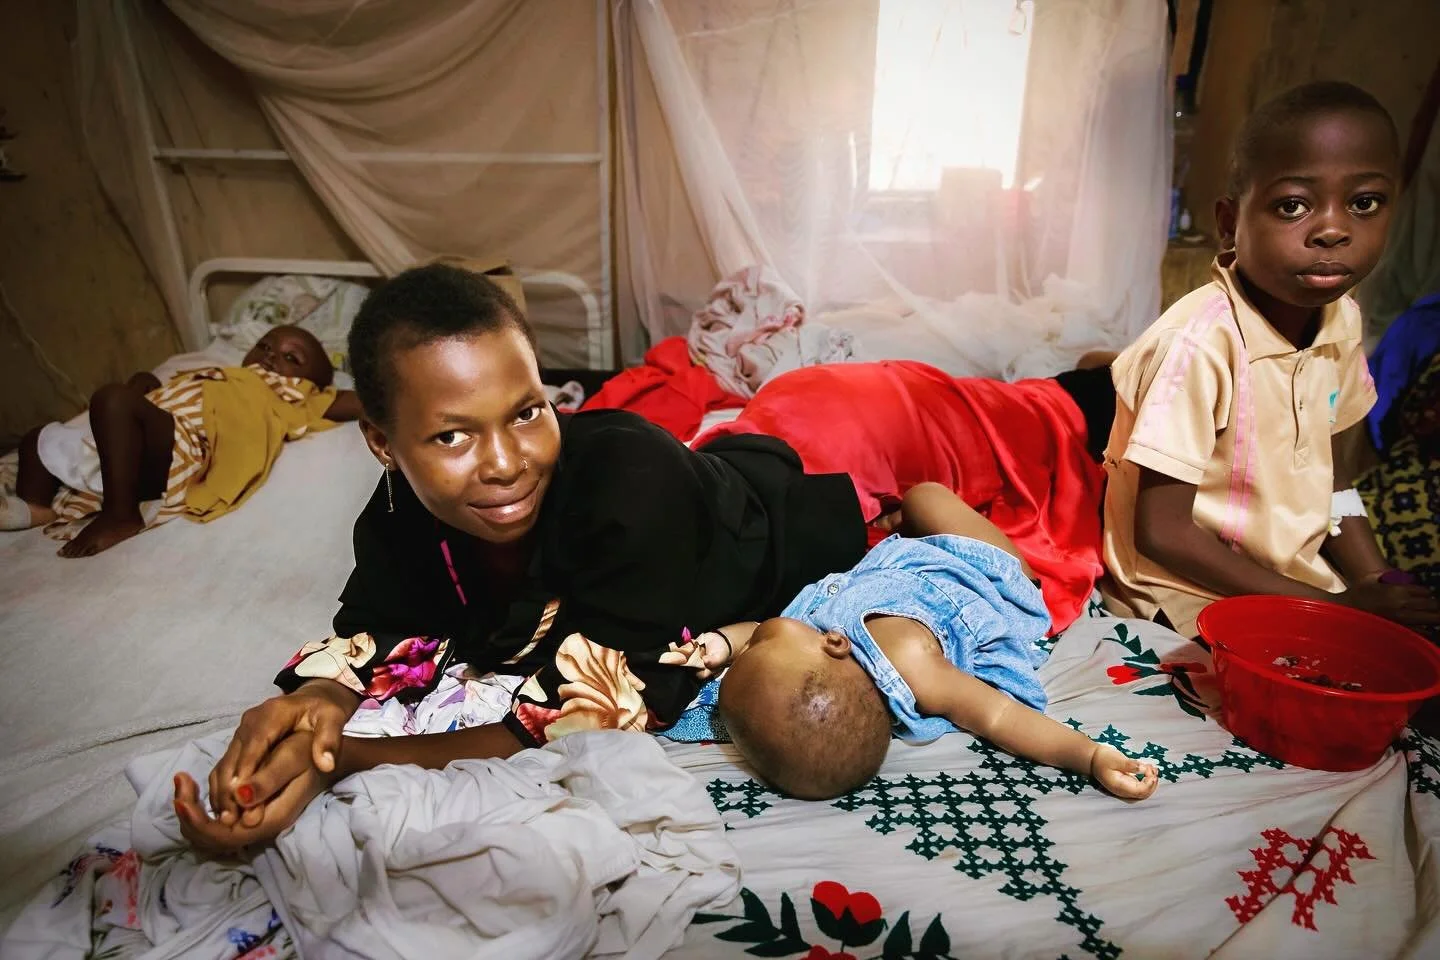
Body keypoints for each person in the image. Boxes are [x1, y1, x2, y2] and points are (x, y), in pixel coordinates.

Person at [173, 263, 872, 853]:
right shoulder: (396, 515)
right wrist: (314, 702)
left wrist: (340, 760)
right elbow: (374, 627)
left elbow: (571, 713)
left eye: (527, 412)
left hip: (769, 529)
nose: (505, 465)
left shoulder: (632, 490)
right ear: (383, 445)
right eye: (451, 437)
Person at [1101, 80, 1440, 637]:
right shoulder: (1200, 345)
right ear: (1231, 223)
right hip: (1183, 599)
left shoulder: (1341, 320)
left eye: (1364, 203)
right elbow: (1162, 533)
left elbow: (1331, 479)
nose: (1333, 229)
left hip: (1293, 581)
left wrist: (1376, 582)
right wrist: (1335, 609)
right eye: (1293, 206)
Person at [714, 482, 1160, 802]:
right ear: (833, 645)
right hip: (986, 577)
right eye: (758, 647)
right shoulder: (912, 665)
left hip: (901, 571)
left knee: (915, 504)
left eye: (747, 652)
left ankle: (903, 525)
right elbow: (999, 715)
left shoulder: (814, 664)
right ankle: (910, 520)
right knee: (924, 496)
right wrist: (1089, 756)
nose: (751, 644)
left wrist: (718, 642)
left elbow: (755, 631)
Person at [1, 325, 360, 557]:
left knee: (111, 399)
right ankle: (36, 507)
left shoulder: (297, 395)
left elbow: (361, 401)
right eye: (265, 345)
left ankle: (121, 514)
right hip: (127, 438)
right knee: (38, 437)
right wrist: (147, 386)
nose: (271, 355)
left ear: (313, 382)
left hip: (179, 446)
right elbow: (175, 396)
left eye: (291, 358)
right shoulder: (223, 374)